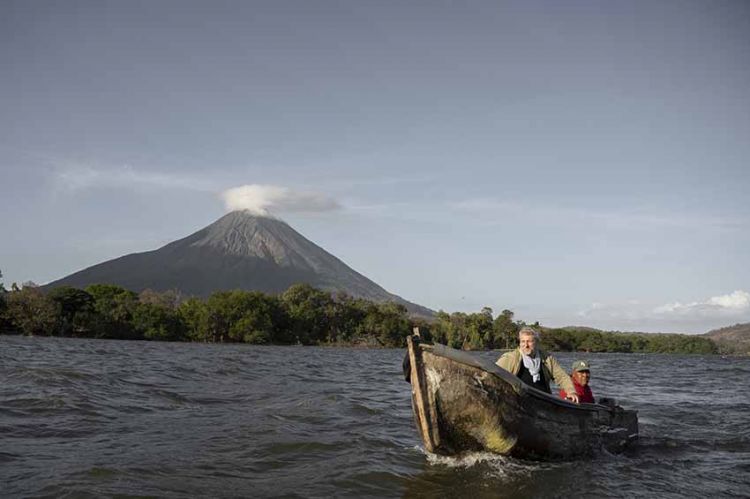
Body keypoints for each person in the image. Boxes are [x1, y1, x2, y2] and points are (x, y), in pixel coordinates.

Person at [496, 327, 579, 403]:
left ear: (536, 342)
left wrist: (571, 392)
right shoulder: (510, 358)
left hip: (544, 402)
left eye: (529, 341)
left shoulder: (547, 358)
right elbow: (494, 374)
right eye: (523, 341)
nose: (526, 345)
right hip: (520, 402)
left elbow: (561, 376)